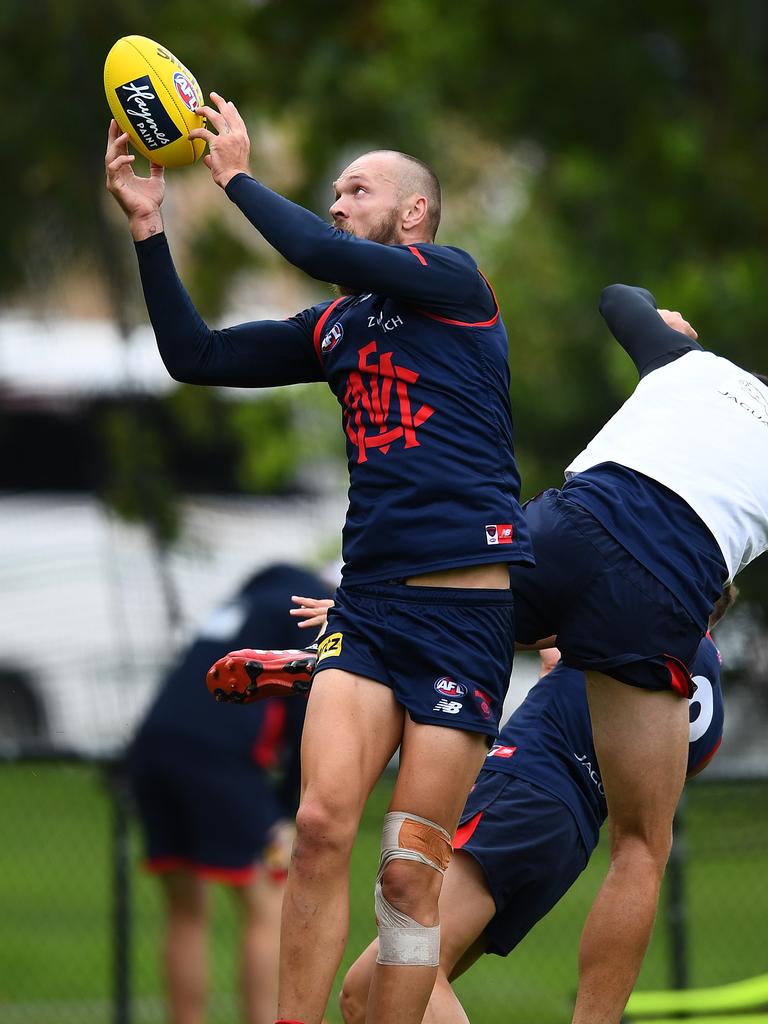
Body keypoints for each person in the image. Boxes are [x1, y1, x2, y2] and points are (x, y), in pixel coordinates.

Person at [105, 93, 534, 1024]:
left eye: (356, 188)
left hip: (465, 619)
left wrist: (235, 177)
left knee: (410, 879)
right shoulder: (338, 329)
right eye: (333, 191)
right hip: (370, 613)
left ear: (412, 214)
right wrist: (149, 230)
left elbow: (318, 250)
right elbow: (197, 355)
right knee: (317, 826)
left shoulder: (456, 285)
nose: (338, 203)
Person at [503, 287, 768, 1024]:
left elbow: (616, 298)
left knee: (444, 621)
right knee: (643, 847)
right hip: (660, 590)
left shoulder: (692, 364)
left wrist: (667, 323)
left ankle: (357, 640)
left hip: (572, 524)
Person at [336, 588, 733, 1023]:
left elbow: (498, 620)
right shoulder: (702, 688)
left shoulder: (635, 612)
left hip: (524, 790)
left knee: (415, 968)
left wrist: (371, 616)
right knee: (363, 994)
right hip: (568, 836)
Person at [126, 563, 330, 1024]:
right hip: (218, 758)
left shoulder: (239, 607)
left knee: (184, 908)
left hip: (152, 747)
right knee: (267, 903)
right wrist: (287, 811)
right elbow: (311, 714)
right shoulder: (305, 614)